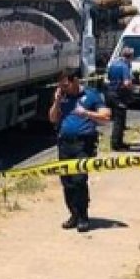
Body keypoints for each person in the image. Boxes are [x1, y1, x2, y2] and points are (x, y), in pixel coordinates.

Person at [49, 69, 110, 233]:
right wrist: (56, 102)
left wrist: (87, 113)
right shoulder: (62, 97)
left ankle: (83, 216)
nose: (64, 88)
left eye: (66, 85)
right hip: (64, 144)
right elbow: (53, 118)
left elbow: (106, 116)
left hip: (83, 144)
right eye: (61, 86)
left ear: (75, 80)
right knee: (67, 182)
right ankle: (73, 214)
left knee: (79, 180)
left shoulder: (91, 95)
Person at [105, 48, 134, 151]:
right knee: (119, 121)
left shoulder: (113, 64)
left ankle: (119, 142)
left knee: (117, 119)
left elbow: (108, 78)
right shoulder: (124, 66)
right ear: (130, 56)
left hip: (110, 93)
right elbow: (126, 83)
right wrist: (131, 88)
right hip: (119, 95)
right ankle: (116, 144)